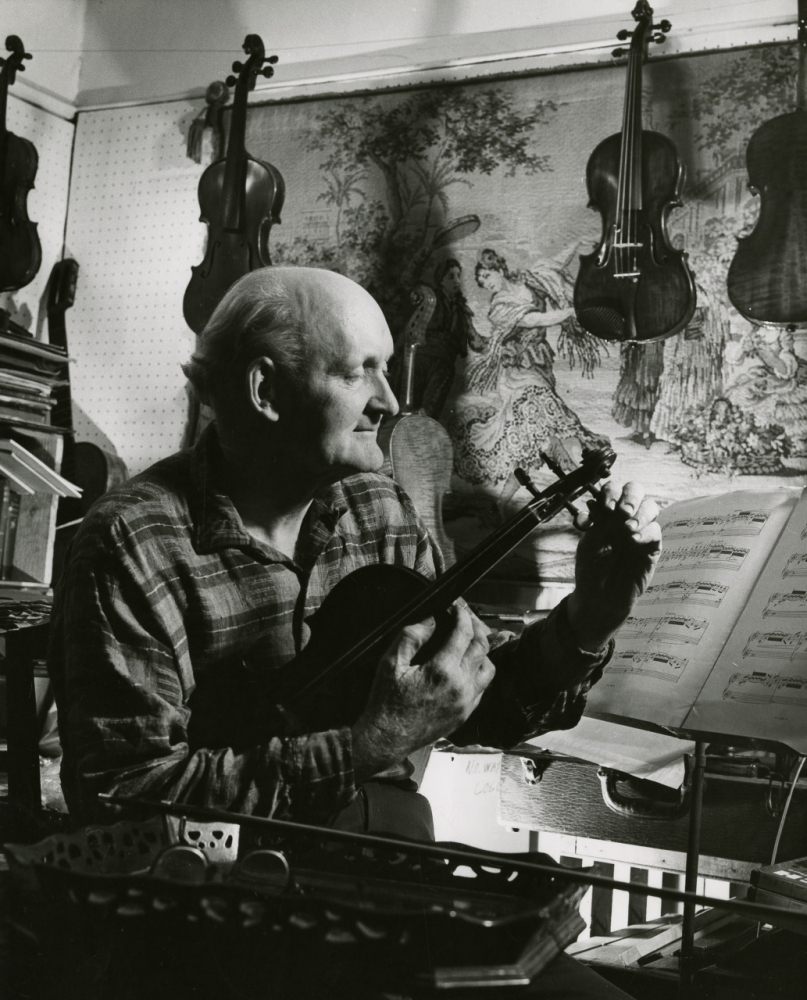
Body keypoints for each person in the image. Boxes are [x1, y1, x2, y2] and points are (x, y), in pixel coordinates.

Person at [47, 265, 661, 999]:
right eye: (358, 371)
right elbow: (124, 803)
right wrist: (365, 746)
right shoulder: (132, 542)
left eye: (387, 368)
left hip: (387, 887)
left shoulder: (378, 507)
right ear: (265, 391)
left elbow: (472, 698)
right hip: (223, 925)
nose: (389, 400)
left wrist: (590, 618)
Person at [451, 251, 609, 487]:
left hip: (539, 362)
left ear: (499, 269)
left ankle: (508, 499)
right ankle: (573, 470)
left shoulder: (527, 280)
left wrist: (578, 245)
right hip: (516, 372)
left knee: (530, 438)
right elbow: (533, 320)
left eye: (486, 275)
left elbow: (553, 263)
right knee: (544, 418)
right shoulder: (498, 309)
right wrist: (569, 312)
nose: (485, 283)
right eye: (481, 280)